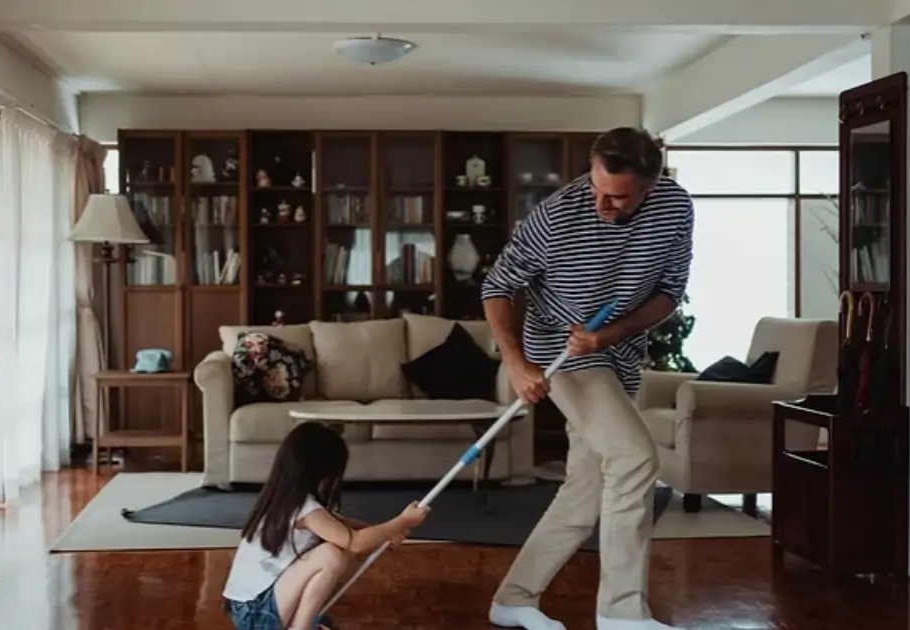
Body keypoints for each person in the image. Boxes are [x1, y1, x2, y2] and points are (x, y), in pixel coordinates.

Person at [480, 127, 694, 630]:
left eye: (617, 197)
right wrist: (515, 363)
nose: (602, 203)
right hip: (559, 348)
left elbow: (668, 291)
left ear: (649, 186)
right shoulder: (558, 214)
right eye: (596, 187)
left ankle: (513, 598)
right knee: (635, 457)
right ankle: (621, 612)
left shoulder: (674, 209)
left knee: (586, 484)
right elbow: (498, 285)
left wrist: (613, 332)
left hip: (615, 350)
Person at [222, 422, 431, 630]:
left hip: (250, 609)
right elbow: (356, 542)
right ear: (321, 472)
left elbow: (344, 525)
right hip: (255, 614)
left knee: (339, 551)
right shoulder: (304, 509)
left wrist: (385, 533)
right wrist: (401, 521)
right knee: (331, 554)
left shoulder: (287, 500)